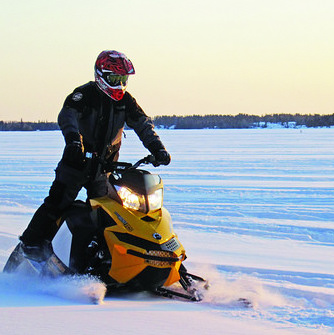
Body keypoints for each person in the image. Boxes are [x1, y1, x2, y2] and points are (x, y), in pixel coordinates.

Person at [19, 50, 171, 259]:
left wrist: (157, 148)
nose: (119, 85)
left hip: (104, 168)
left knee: (109, 212)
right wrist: (73, 140)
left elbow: (143, 124)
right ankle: (30, 244)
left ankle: (104, 257)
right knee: (57, 202)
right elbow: (68, 115)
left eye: (123, 79)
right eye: (115, 79)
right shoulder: (84, 95)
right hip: (77, 163)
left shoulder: (126, 101)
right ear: (101, 76)